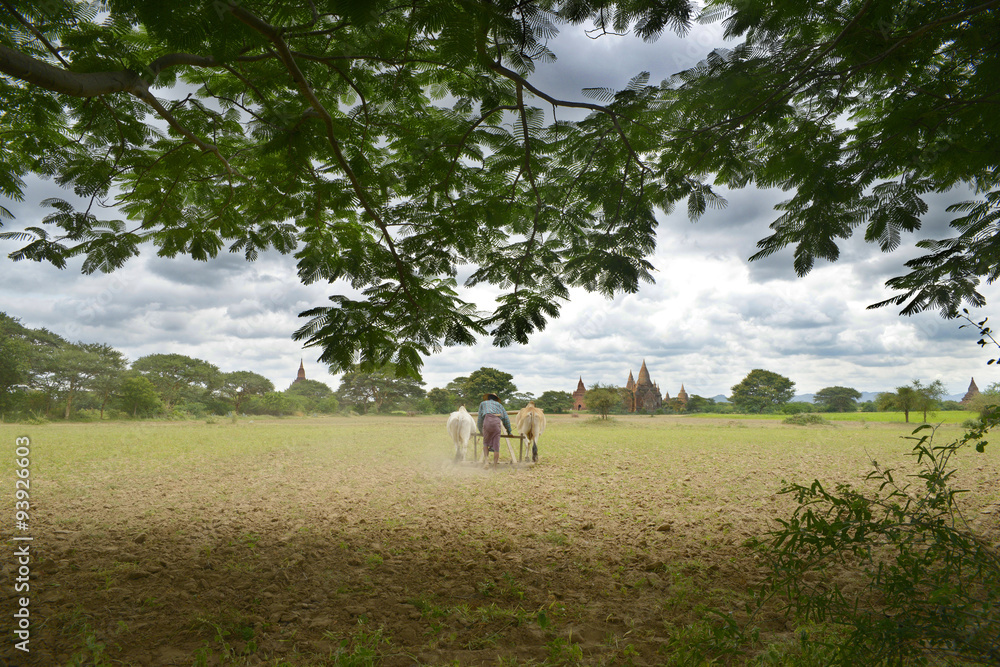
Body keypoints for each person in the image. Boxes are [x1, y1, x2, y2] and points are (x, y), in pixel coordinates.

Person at [477, 392, 512, 467]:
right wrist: (509, 431)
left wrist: (480, 430)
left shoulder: (483, 403)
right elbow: (506, 419)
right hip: (496, 423)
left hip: (487, 422)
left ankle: (486, 462)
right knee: (496, 446)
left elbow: (480, 418)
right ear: (496, 399)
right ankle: (495, 467)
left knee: (485, 443)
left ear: (488, 398)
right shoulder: (499, 405)